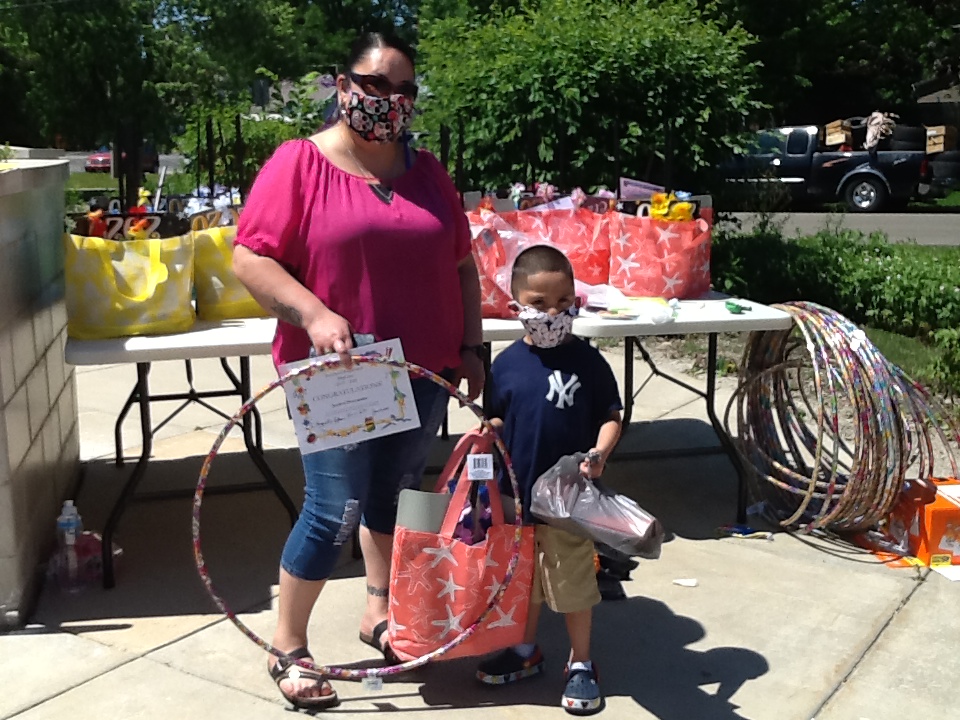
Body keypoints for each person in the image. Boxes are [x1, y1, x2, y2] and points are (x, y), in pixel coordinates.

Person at [232, 31, 484, 710]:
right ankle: (289, 642)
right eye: (376, 85)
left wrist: (474, 346)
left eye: (404, 90)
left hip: (423, 368)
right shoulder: (299, 163)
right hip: (336, 373)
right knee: (333, 509)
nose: (390, 101)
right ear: (343, 85)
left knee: (401, 499)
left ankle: (380, 611)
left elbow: (462, 265)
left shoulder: (427, 171)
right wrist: (313, 313)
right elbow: (251, 258)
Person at [476, 245, 622, 715]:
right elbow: (499, 417)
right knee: (521, 579)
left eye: (563, 302)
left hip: (569, 499)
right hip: (515, 494)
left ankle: (582, 663)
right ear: (515, 302)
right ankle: (524, 648)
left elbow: (611, 415)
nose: (552, 313)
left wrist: (599, 454)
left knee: (573, 578)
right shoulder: (505, 365)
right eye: (539, 304)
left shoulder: (589, 362)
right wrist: (486, 431)